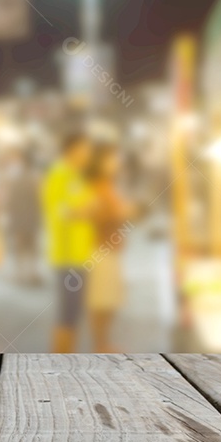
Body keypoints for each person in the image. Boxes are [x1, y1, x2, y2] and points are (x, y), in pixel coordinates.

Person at [41, 132, 95, 353]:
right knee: (67, 315)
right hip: (67, 257)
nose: (88, 154)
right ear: (72, 149)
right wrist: (83, 210)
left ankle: (67, 357)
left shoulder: (76, 174)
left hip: (81, 255)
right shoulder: (59, 174)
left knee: (74, 315)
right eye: (85, 149)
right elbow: (58, 211)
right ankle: (59, 364)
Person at [84, 144, 134, 353]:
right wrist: (119, 213)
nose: (116, 163)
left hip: (111, 249)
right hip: (100, 250)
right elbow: (91, 215)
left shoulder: (108, 185)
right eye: (111, 159)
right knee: (102, 301)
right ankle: (100, 345)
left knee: (110, 300)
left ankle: (103, 343)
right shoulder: (96, 187)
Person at [5, 147, 43, 286]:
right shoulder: (36, 177)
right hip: (32, 214)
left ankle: (20, 273)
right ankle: (32, 272)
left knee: (20, 245)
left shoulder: (15, 176)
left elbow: (10, 198)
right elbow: (41, 197)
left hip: (19, 214)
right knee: (32, 245)